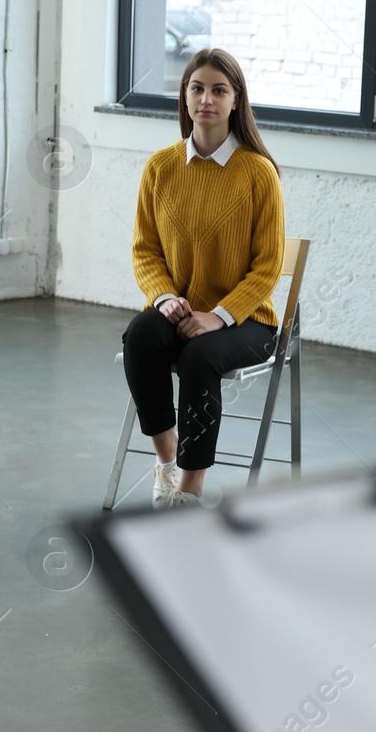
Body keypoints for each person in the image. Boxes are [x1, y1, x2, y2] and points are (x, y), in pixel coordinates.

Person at [121, 48, 285, 508]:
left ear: (236, 101)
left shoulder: (258, 173)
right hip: (183, 311)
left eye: (219, 90)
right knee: (140, 335)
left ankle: (189, 491)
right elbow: (145, 250)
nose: (206, 99)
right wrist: (164, 298)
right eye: (197, 88)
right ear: (185, 97)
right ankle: (167, 463)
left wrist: (220, 315)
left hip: (249, 320)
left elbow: (268, 265)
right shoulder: (160, 167)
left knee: (199, 355)